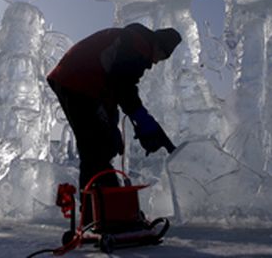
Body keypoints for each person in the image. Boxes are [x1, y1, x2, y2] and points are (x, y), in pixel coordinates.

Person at [47, 23, 180, 195]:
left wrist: (112, 126)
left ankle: (102, 201)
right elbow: (124, 89)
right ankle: (100, 204)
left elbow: (112, 90)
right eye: (160, 58)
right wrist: (145, 122)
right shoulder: (137, 44)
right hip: (77, 82)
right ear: (158, 45)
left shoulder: (131, 40)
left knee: (102, 144)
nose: (154, 63)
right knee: (96, 148)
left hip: (75, 82)